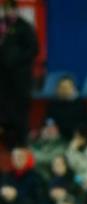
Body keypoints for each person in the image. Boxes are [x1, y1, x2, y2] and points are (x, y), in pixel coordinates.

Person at [0, 0, 39, 146]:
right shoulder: (2, 26)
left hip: (20, 78)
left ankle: (22, 142)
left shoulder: (25, 27)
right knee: (5, 111)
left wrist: (16, 60)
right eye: (6, 10)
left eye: (11, 10)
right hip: (4, 79)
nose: (8, 13)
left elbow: (34, 49)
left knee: (20, 111)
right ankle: (9, 142)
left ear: (16, 10)